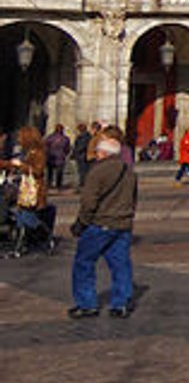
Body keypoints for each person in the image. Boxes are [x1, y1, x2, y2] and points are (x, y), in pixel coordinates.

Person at [69, 128, 137, 319]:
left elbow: (89, 202)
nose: (96, 155)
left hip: (100, 224)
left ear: (103, 153)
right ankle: (120, 303)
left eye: (98, 152)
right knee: (120, 264)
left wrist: (81, 223)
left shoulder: (97, 171)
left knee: (84, 263)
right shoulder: (129, 171)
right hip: (122, 224)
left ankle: (86, 303)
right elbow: (133, 199)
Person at [2, 126, 52, 255]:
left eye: (20, 136)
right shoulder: (28, 152)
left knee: (28, 218)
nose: (18, 139)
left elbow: (38, 171)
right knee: (20, 217)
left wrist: (21, 166)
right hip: (25, 188)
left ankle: (45, 235)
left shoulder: (39, 153)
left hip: (34, 190)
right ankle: (20, 245)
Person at [44, 124, 70, 189]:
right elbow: (67, 148)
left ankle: (49, 184)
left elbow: (46, 146)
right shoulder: (65, 138)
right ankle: (58, 185)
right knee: (59, 172)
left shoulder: (50, 137)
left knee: (50, 172)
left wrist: (47, 153)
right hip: (60, 157)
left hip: (51, 156)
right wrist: (64, 153)